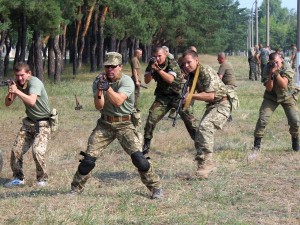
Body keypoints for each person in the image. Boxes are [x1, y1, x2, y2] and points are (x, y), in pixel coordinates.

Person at [70, 52, 163, 199]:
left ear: (120, 67)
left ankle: (156, 187)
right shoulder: (99, 80)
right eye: (107, 67)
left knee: (140, 159)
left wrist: (108, 88)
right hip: (105, 124)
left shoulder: (127, 81)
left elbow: (118, 101)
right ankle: (75, 189)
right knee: (88, 161)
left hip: (125, 124)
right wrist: (101, 89)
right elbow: (99, 106)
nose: (110, 70)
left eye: (113, 67)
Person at [181, 49, 231, 178]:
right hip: (212, 106)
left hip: (222, 103)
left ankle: (208, 162)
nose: (186, 65)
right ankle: (201, 167)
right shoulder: (192, 74)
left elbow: (211, 96)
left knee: (205, 127)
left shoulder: (205, 71)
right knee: (198, 134)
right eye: (184, 63)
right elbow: (189, 94)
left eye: (189, 62)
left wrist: (191, 96)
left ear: (196, 60)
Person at [4, 62, 52, 187]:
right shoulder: (18, 84)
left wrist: (17, 92)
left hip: (43, 123)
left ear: (29, 74)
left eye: (22, 75)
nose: (20, 78)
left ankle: (42, 179)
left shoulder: (34, 82)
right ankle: (18, 178)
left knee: (37, 151)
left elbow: (31, 101)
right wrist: (11, 91)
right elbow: (7, 104)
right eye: (17, 76)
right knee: (16, 150)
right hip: (29, 122)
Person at [143, 47, 198, 154]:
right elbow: (146, 80)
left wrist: (158, 69)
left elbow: (170, 79)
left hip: (178, 95)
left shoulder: (172, 63)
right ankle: (146, 145)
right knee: (151, 119)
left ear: (165, 55)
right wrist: (151, 69)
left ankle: (200, 144)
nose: (157, 58)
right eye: (155, 56)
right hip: (163, 96)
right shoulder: (152, 63)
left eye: (160, 56)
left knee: (190, 121)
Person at [250, 52, 300, 159]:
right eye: (273, 63)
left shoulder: (287, 67)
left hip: (287, 96)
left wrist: (276, 73)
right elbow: (268, 88)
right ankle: (256, 146)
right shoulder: (267, 68)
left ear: (281, 60)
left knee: (295, 120)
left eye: (277, 62)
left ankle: (295, 142)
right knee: (263, 119)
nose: (275, 65)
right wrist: (271, 75)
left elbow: (283, 85)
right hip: (271, 97)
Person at [217, 52, 238, 122]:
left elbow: (219, 78)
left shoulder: (223, 65)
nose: (217, 59)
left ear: (222, 58)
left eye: (218, 58)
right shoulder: (228, 63)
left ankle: (226, 116)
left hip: (228, 86)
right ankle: (227, 116)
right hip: (231, 86)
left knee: (218, 98)